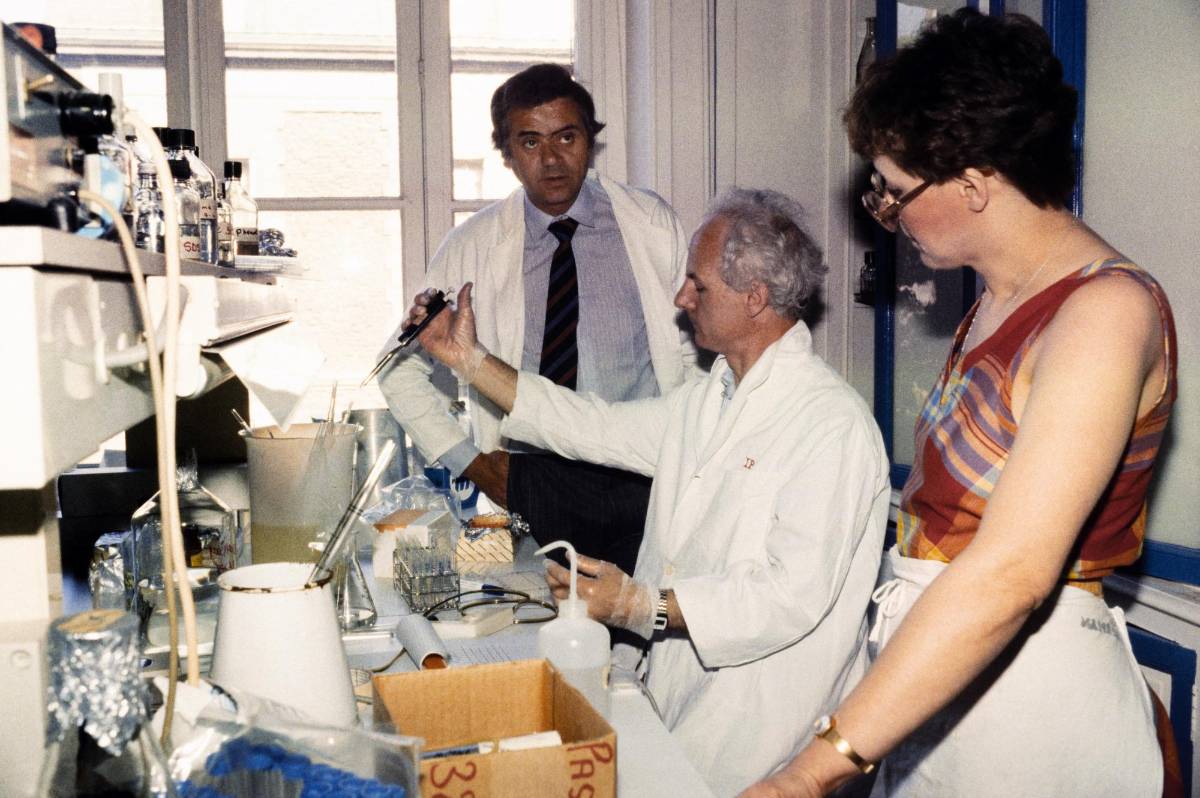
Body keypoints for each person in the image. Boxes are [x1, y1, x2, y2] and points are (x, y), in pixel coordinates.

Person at [741, 9, 1179, 798]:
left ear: (974, 184)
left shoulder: (1104, 313)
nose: (887, 215)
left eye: (896, 192)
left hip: (1032, 703)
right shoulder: (995, 302)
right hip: (949, 674)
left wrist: (810, 773)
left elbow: (1010, 574)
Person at [406, 188, 891, 796]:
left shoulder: (830, 424)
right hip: (685, 700)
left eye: (698, 283)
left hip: (770, 740)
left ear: (755, 298)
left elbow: (788, 598)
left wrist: (641, 604)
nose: (681, 297)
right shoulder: (711, 398)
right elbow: (592, 424)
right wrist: (471, 361)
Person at [376, 63, 697, 575]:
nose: (550, 159)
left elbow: (693, 356)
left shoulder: (652, 224)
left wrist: (694, 459)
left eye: (566, 136)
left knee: (648, 631)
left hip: (645, 475)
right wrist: (473, 464)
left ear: (590, 141)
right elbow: (396, 369)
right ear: (506, 154)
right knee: (547, 635)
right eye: (529, 142)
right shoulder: (472, 246)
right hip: (531, 481)